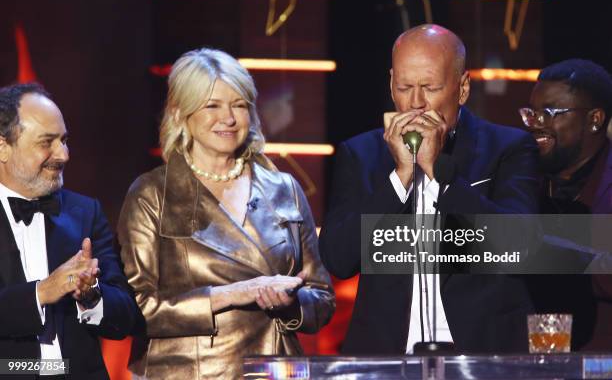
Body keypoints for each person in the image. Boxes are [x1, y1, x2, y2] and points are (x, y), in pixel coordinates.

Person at [318, 24, 541, 354]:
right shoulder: (361, 154)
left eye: (430, 87)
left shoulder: (507, 148)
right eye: (405, 87)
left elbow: (521, 248)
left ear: (462, 89)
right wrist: (400, 178)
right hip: (389, 357)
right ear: (391, 85)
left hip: (484, 353)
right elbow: (339, 258)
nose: (416, 103)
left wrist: (439, 173)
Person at [117, 48, 335, 379]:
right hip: (187, 372)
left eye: (239, 105)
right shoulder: (152, 195)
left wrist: (288, 304)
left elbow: (321, 299)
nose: (229, 119)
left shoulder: (283, 189)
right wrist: (233, 294)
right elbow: (139, 308)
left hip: (273, 368)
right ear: (181, 113)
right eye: (212, 106)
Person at [0, 83, 138, 379]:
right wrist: (42, 292)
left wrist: (91, 296)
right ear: (3, 147)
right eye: (46, 142)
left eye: (64, 140)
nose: (63, 155)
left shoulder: (85, 212)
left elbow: (126, 316)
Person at [521, 59, 612, 351]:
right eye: (532, 113)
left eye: (549, 113)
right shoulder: (522, 180)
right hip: (535, 360)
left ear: (595, 119)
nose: (535, 123)